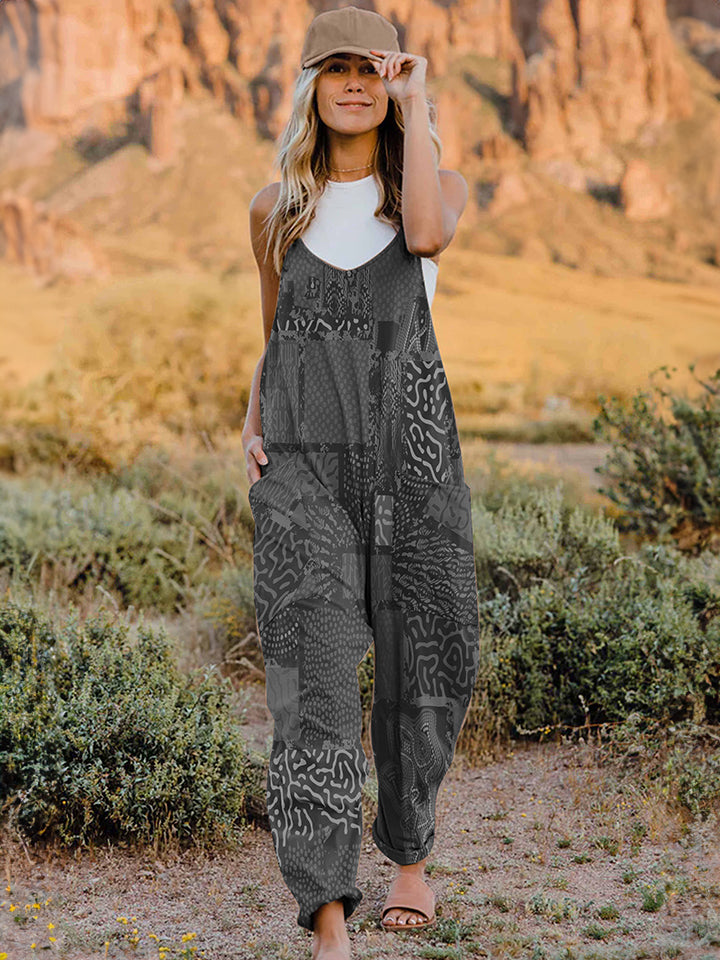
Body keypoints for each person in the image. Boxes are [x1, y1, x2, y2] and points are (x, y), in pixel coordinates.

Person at [241, 7, 480, 958]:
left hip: (413, 454)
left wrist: (417, 103)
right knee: (314, 685)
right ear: (309, 85)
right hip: (303, 465)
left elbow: (424, 237)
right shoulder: (274, 207)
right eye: (333, 68)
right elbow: (272, 332)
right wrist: (251, 419)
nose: (353, 83)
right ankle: (328, 912)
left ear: (393, 81)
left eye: (370, 69)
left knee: (431, 658)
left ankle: (409, 854)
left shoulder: (434, 185)